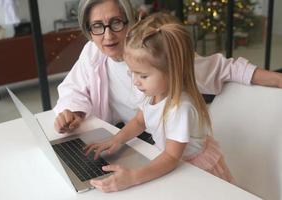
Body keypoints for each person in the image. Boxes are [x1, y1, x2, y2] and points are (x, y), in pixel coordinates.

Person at [53, 0, 282, 134]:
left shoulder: (155, 51)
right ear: (89, 31)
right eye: (97, 26)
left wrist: (279, 80)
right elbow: (73, 89)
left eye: (115, 22)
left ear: (129, 21)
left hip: (166, 143)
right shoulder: (92, 53)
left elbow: (226, 69)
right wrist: (72, 112)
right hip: (129, 136)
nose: (108, 35)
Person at [85, 12, 234, 192]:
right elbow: (140, 121)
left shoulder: (180, 108)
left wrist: (132, 177)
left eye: (143, 75)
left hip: (192, 169)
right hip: (170, 158)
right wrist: (117, 139)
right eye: (133, 73)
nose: (135, 81)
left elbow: (171, 157)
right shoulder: (151, 93)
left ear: (172, 71)